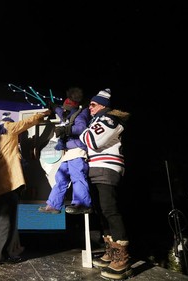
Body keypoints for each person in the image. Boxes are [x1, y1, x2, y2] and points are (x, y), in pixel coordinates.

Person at [0, 109, 52, 265]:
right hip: (8, 181)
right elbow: (27, 123)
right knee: (5, 222)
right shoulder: (9, 128)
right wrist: (43, 114)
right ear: (8, 122)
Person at [79, 88, 132, 280]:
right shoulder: (97, 120)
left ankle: (122, 258)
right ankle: (112, 250)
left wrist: (82, 129)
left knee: (109, 210)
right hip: (97, 168)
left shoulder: (109, 119)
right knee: (102, 211)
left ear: (102, 105)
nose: (89, 107)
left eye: (93, 104)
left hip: (107, 167)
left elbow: (90, 140)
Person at [38, 87, 92, 214]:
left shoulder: (80, 114)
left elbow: (81, 127)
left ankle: (82, 203)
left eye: (65, 109)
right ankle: (54, 204)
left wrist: (66, 130)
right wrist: (53, 106)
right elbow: (60, 112)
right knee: (60, 178)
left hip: (78, 150)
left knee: (77, 177)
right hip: (69, 152)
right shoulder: (67, 115)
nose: (63, 111)